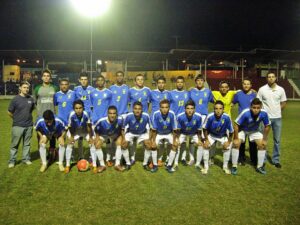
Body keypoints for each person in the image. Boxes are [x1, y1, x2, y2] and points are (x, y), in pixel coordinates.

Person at [233, 98, 271, 175]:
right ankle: (234, 166)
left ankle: (259, 166)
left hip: (254, 131)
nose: (256, 110)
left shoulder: (264, 113)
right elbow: (236, 125)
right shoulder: (245, 112)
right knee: (236, 144)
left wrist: (264, 139)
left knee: (262, 145)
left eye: (258, 108)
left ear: (261, 107)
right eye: (254, 108)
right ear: (251, 107)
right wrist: (236, 138)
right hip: (243, 130)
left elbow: (267, 126)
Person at [257, 72, 287, 168]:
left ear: (275, 78)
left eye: (272, 77)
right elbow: (258, 103)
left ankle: (276, 160)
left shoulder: (281, 89)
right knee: (263, 139)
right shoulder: (262, 89)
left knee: (277, 140)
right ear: (266, 78)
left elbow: (283, 102)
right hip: (265, 119)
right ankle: (263, 159)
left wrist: (278, 110)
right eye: (269, 77)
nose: (271, 78)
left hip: (277, 118)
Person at [7, 81, 35, 168]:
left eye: (27, 88)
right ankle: (12, 161)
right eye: (24, 87)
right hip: (17, 126)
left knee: (27, 144)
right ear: (20, 88)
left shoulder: (31, 99)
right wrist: (16, 119)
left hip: (29, 125)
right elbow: (9, 112)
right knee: (15, 145)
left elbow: (31, 110)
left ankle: (26, 159)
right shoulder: (15, 99)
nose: (26, 89)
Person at [202, 101, 234, 175]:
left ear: (223, 109)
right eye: (216, 108)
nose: (218, 111)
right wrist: (206, 140)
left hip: (223, 136)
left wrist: (228, 142)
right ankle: (206, 167)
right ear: (214, 109)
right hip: (212, 135)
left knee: (227, 147)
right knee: (206, 146)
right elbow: (204, 129)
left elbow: (231, 131)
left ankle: (225, 167)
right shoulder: (210, 116)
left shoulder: (227, 117)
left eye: (220, 108)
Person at [33, 69, 58, 160]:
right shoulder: (37, 88)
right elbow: (35, 101)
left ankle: (52, 154)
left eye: (48, 76)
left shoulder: (55, 88)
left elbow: (56, 102)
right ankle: (42, 156)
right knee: (40, 137)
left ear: (50, 77)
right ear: (42, 77)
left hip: (52, 117)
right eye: (45, 76)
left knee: (52, 137)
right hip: (40, 117)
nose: (46, 77)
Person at [65, 100, 95, 174]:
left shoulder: (86, 114)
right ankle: (67, 165)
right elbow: (69, 126)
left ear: (83, 108)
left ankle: (94, 165)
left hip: (85, 130)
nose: (78, 110)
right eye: (76, 108)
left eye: (80, 108)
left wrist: (90, 137)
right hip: (74, 131)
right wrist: (71, 137)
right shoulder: (71, 114)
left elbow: (89, 126)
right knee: (69, 145)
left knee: (92, 144)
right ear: (74, 109)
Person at [233, 78, 257, 165]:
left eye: (248, 84)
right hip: (241, 122)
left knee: (252, 142)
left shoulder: (255, 95)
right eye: (244, 84)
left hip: (252, 122)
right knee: (242, 142)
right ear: (242, 85)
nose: (246, 85)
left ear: (251, 85)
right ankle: (241, 159)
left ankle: (253, 159)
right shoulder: (238, 94)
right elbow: (232, 103)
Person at [122, 102, 152, 171]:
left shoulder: (146, 116)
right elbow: (122, 128)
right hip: (131, 133)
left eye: (139, 109)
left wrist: (150, 139)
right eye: (135, 109)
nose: (137, 111)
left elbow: (151, 128)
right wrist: (123, 139)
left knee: (148, 144)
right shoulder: (128, 116)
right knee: (124, 144)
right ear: (132, 109)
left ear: (142, 110)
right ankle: (128, 163)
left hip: (142, 133)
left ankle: (145, 164)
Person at [93, 106, 124, 173]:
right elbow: (96, 129)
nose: (112, 115)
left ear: (116, 114)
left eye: (114, 113)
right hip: (105, 136)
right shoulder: (102, 121)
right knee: (97, 144)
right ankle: (102, 165)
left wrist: (123, 138)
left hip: (115, 136)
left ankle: (117, 164)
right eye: (110, 113)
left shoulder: (120, 120)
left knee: (120, 142)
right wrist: (97, 138)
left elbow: (122, 129)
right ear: (107, 114)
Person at [151, 99, 178, 173]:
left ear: (169, 108)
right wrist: (153, 141)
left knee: (175, 146)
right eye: (162, 107)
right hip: (159, 134)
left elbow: (175, 129)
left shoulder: (172, 114)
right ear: (160, 108)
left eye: (166, 107)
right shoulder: (156, 114)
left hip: (168, 134)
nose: (164, 109)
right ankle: (155, 165)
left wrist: (174, 140)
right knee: (153, 146)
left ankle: (169, 166)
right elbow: (154, 129)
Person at [175, 100, 203, 169]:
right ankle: (175, 163)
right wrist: (177, 139)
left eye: (191, 108)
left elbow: (199, 130)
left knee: (200, 145)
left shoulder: (198, 116)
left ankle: (197, 163)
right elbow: (178, 130)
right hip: (183, 133)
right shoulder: (180, 116)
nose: (190, 110)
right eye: (188, 108)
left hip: (194, 133)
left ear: (194, 109)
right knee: (176, 144)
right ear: (185, 109)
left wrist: (199, 140)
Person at [150, 76, 171, 166]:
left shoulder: (168, 93)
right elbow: (147, 104)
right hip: (154, 120)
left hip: (165, 120)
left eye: (163, 82)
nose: (161, 84)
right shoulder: (152, 93)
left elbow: (171, 106)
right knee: (153, 140)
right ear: (157, 84)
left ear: (165, 83)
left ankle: (159, 159)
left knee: (163, 142)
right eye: (159, 83)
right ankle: (151, 160)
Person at [169, 76, 190, 165]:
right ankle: (171, 157)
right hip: (174, 119)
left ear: (183, 83)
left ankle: (183, 158)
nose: (180, 83)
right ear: (176, 83)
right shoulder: (171, 93)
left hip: (184, 120)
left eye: (181, 82)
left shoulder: (187, 93)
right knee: (174, 139)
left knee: (184, 140)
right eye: (178, 82)